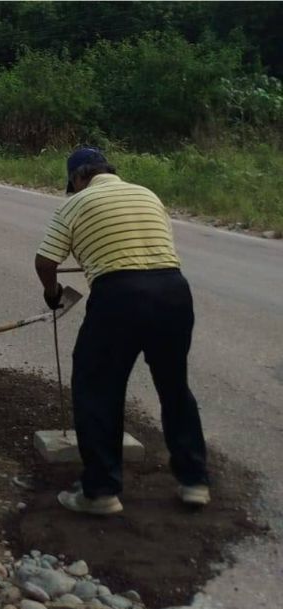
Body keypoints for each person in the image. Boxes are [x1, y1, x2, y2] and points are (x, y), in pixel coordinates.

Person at [36, 147, 210, 515]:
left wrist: (52, 294)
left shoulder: (76, 203)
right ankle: (194, 481)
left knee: (97, 388)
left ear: (77, 178)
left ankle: (100, 491)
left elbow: (45, 261)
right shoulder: (147, 194)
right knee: (174, 386)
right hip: (174, 291)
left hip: (119, 294)